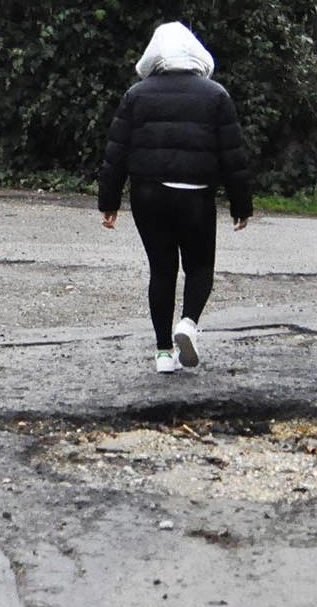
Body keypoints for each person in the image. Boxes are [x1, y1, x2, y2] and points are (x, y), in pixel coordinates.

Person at [98, 21, 253, 374]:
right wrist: (241, 203)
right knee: (200, 267)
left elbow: (116, 151)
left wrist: (109, 202)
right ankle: (188, 323)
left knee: (162, 270)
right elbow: (233, 155)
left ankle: (164, 354)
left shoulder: (136, 95)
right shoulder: (216, 95)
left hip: (147, 194)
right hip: (195, 197)